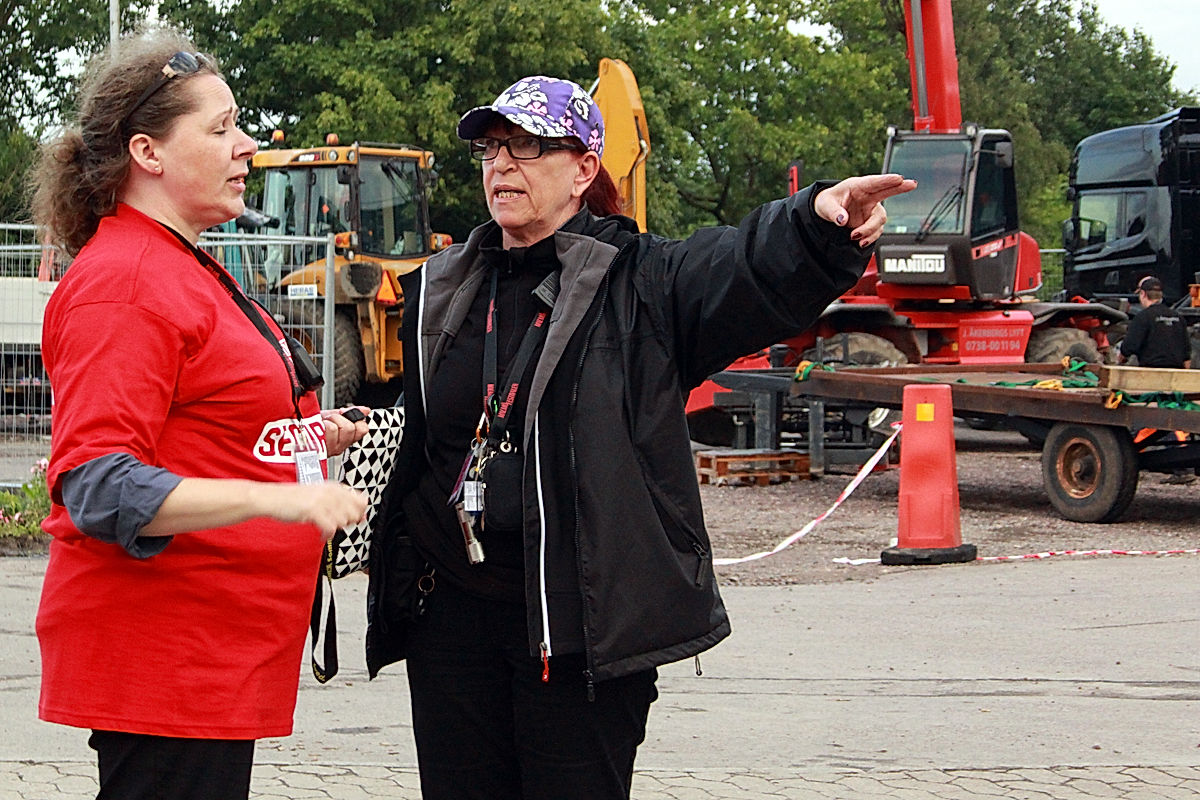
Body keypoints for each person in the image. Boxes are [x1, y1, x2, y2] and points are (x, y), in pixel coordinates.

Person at [362, 74, 915, 799]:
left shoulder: (642, 282)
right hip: (453, 621)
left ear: (584, 169)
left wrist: (815, 219)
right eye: (492, 148)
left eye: (527, 145)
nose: (502, 164)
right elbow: (440, 431)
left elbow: (740, 266)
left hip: (577, 627)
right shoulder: (443, 285)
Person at [29, 28, 370, 800]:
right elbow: (101, 485)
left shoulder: (179, 260)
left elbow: (207, 425)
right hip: (164, 667)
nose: (245, 145)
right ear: (148, 153)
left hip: (207, 662)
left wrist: (308, 436)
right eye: (220, 129)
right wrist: (281, 497)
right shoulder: (124, 283)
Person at [1119, 275, 1195, 483]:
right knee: (1174, 416)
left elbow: (1128, 348)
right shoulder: (1178, 317)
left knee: (1147, 417)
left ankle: (1128, 458)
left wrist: (1119, 364)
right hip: (1176, 379)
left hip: (1151, 378)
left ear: (1143, 295)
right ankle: (1181, 461)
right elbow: (1187, 355)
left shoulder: (1143, 318)